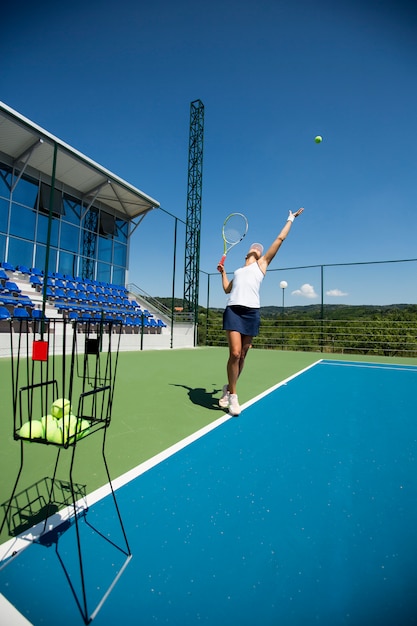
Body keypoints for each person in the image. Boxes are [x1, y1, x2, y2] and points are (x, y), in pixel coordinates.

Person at [217, 208, 304, 416]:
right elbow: (227, 289)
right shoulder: (238, 271)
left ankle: (228, 388)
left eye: (260, 249)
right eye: (254, 248)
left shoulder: (262, 265)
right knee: (235, 353)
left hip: (251, 313)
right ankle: (234, 397)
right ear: (247, 253)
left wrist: (290, 219)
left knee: (244, 355)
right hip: (233, 311)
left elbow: (280, 239)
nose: (257, 249)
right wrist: (224, 273)